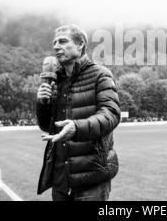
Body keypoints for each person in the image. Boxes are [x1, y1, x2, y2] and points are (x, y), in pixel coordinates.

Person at [36, 24, 121, 201]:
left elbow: (111, 114)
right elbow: (47, 126)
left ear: (80, 44)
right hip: (60, 179)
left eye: (63, 41)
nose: (56, 46)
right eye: (54, 42)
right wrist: (43, 103)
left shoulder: (100, 75)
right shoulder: (55, 80)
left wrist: (77, 127)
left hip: (90, 178)